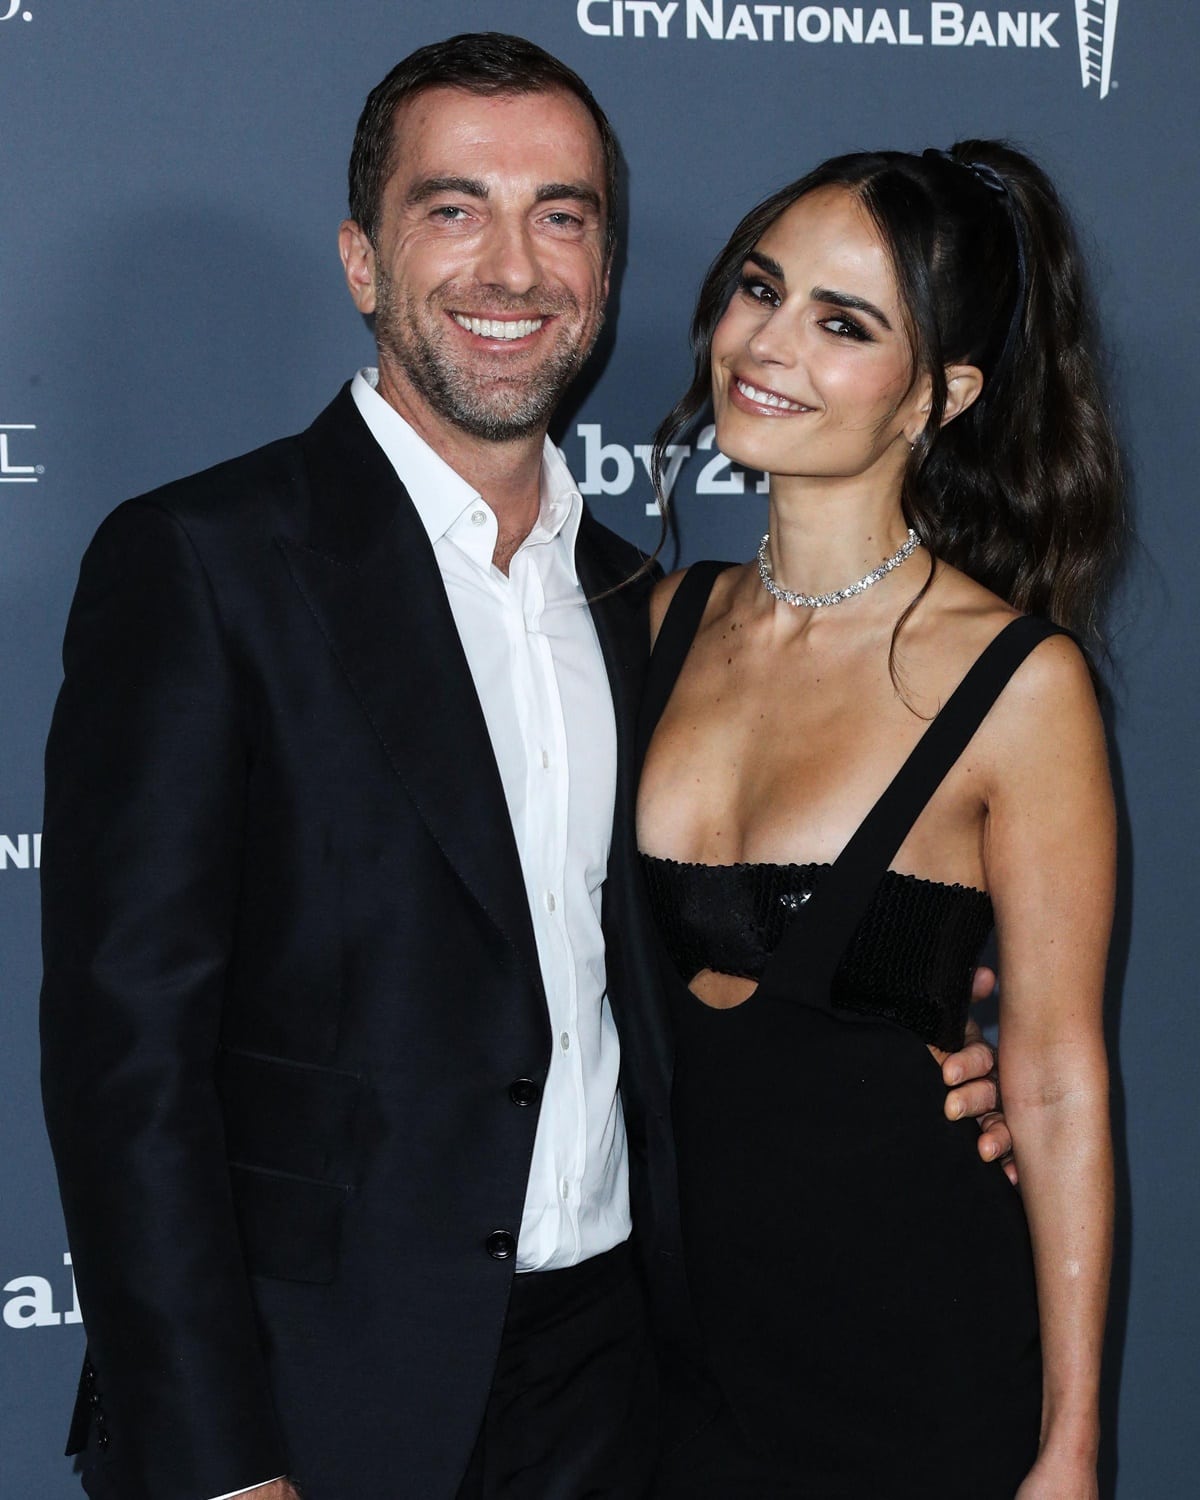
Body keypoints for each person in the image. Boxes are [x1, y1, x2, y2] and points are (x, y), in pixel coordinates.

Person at [39, 33, 1007, 1500]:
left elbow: (712, 956)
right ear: (362, 262)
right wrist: (222, 1468)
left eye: (561, 215)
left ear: (603, 272)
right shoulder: (203, 563)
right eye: (454, 209)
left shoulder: (648, 609)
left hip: (618, 1386)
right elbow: (126, 1065)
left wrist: (925, 1048)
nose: (513, 268)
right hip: (308, 1395)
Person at [638, 142, 1120, 1499]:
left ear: (940, 396)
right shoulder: (655, 626)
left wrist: (1070, 1445)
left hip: (916, 1369)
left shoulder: (1018, 682)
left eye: (843, 324)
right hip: (664, 1379)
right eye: (761, 289)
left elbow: (1058, 1073)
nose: (767, 344)